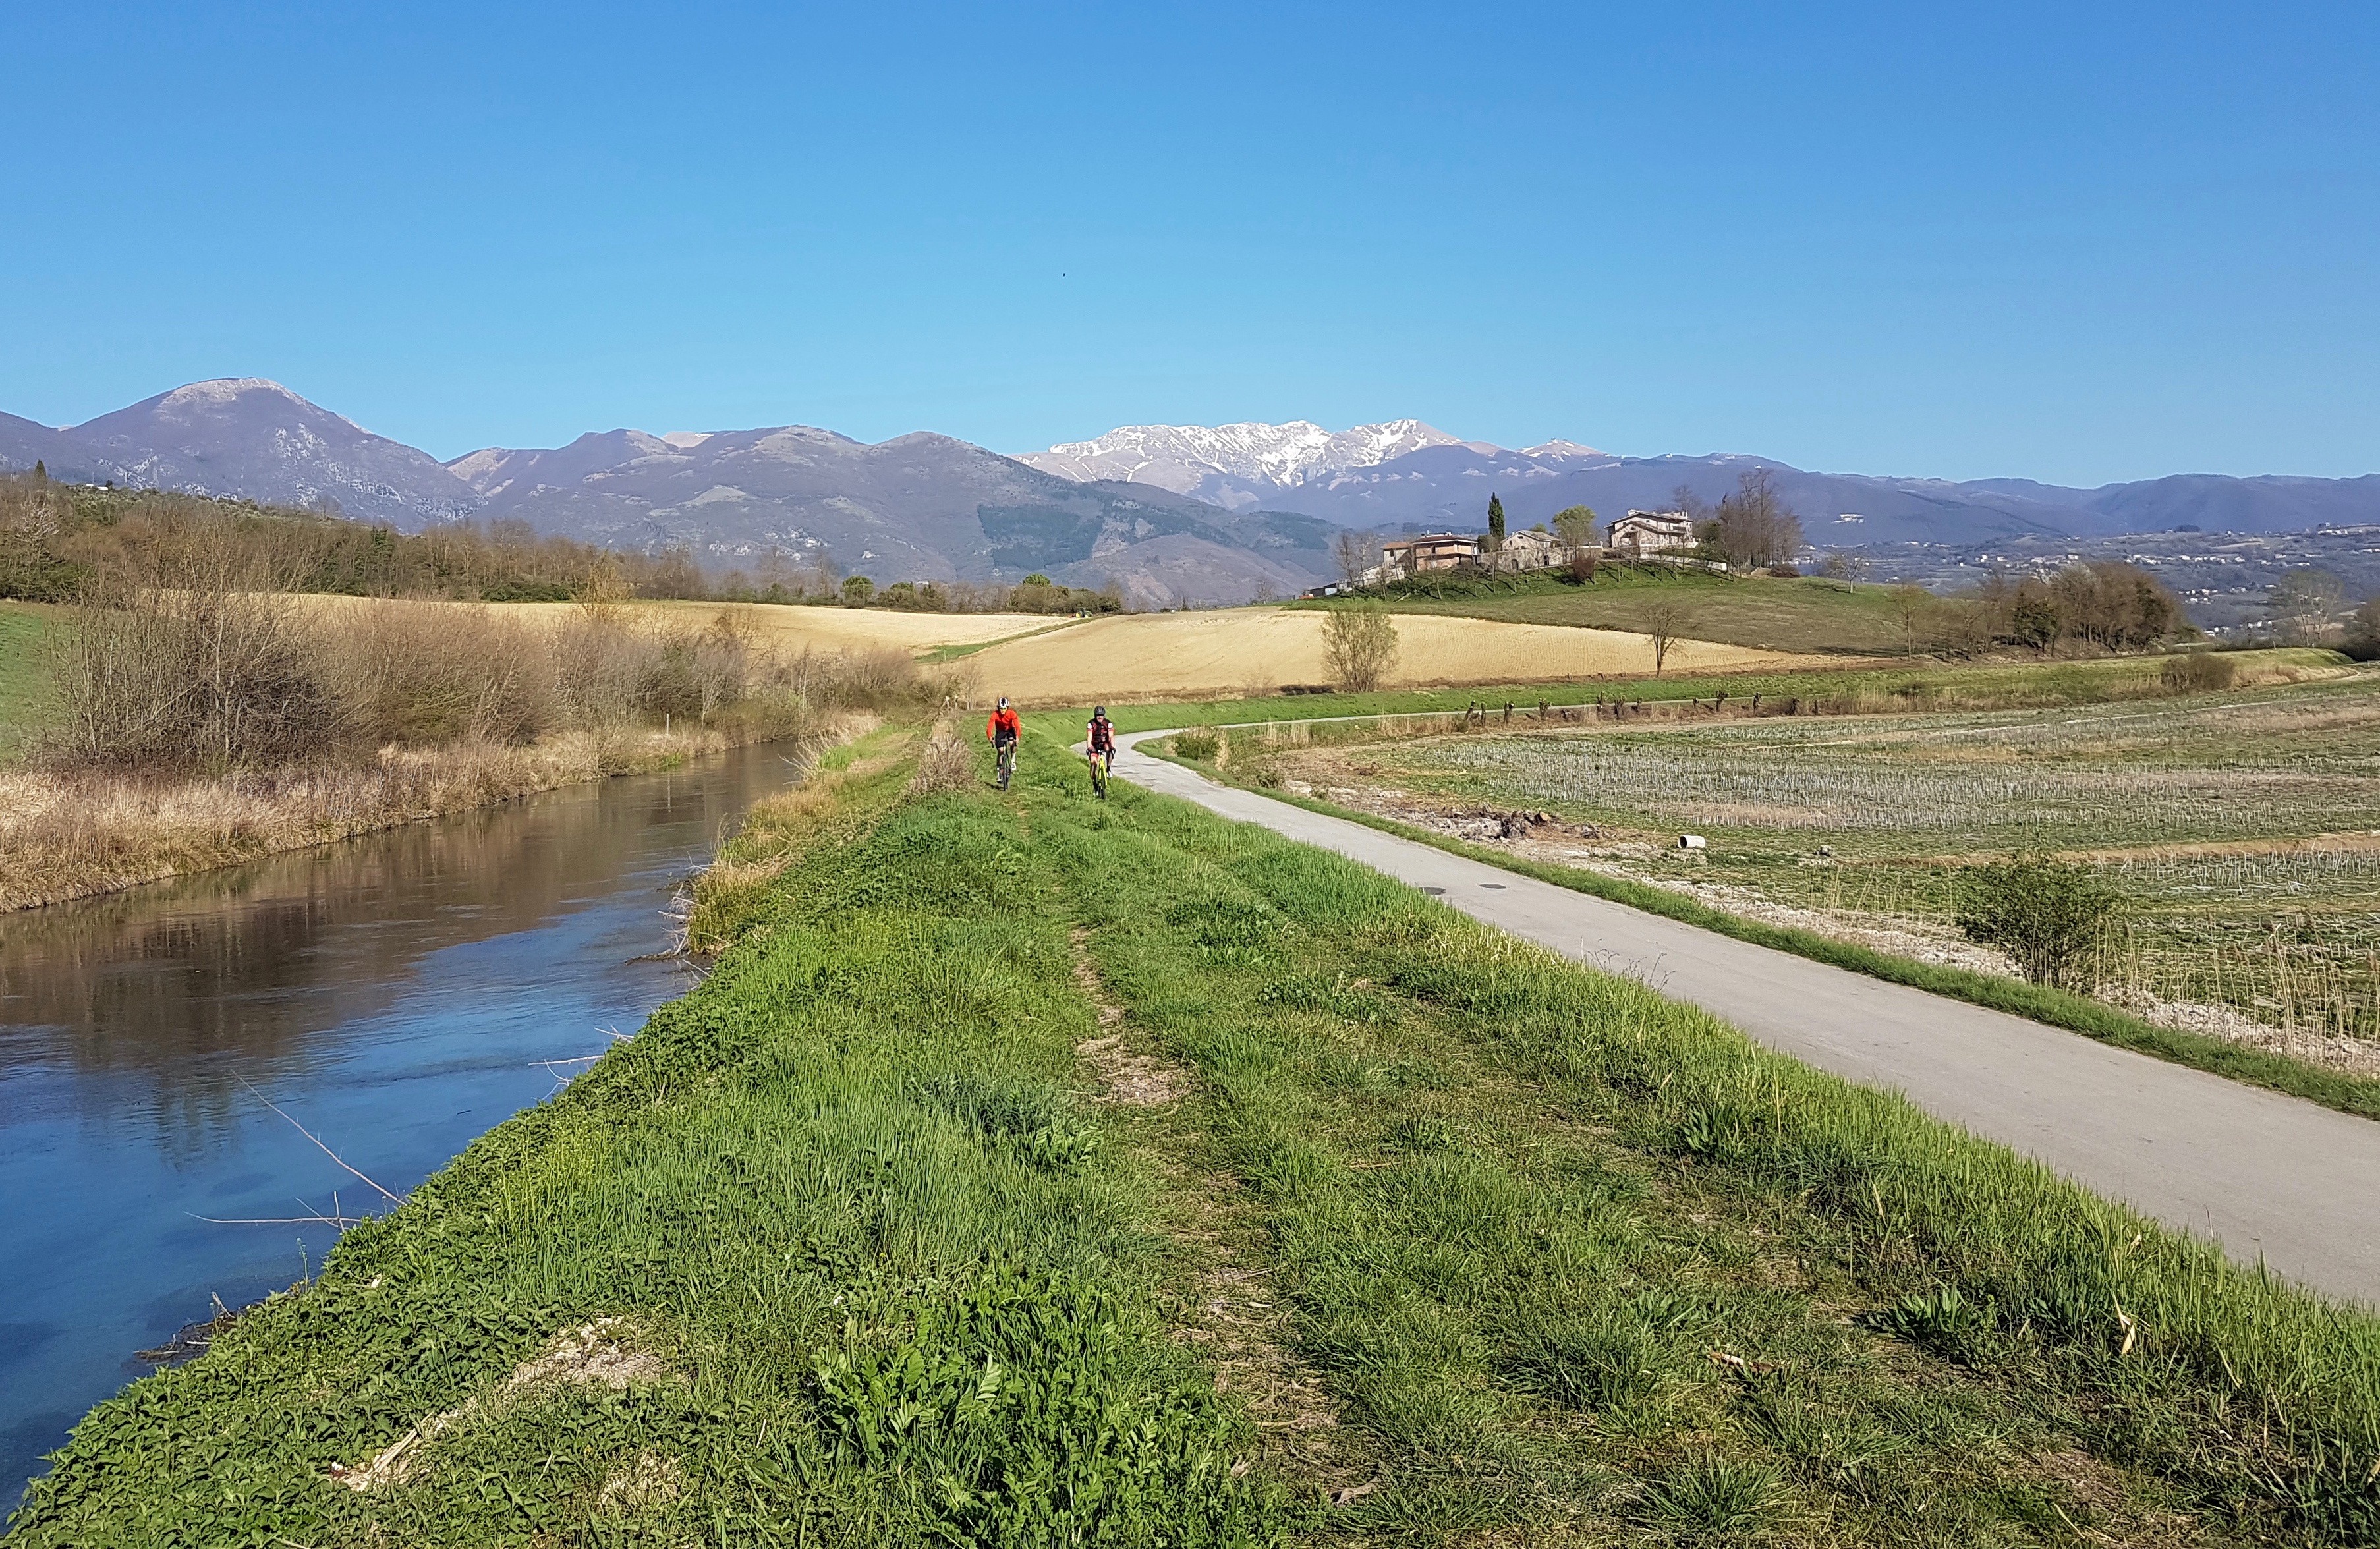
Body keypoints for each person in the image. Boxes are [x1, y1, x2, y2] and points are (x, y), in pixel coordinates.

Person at [986, 696, 1021, 789]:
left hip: (1010, 731)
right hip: (1000, 732)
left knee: (1011, 744)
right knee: (1001, 751)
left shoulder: (1012, 713)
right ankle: (999, 772)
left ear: (1007, 708)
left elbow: (1017, 726)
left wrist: (1017, 736)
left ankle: (1013, 761)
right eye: (1001, 708)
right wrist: (990, 737)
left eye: (1004, 708)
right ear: (998, 708)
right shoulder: (995, 714)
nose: (1003, 710)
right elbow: (990, 726)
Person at [1085, 705, 1116, 799]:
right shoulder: (1091, 724)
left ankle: (1108, 769)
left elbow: (1111, 737)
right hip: (1094, 745)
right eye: (1098, 715)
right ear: (1095, 715)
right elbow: (1089, 737)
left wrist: (1112, 746)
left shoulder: (1108, 724)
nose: (1100, 717)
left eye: (1101, 715)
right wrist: (1089, 747)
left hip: (1104, 743)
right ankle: (1095, 786)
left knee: (1109, 749)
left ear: (1104, 715)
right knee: (1093, 763)